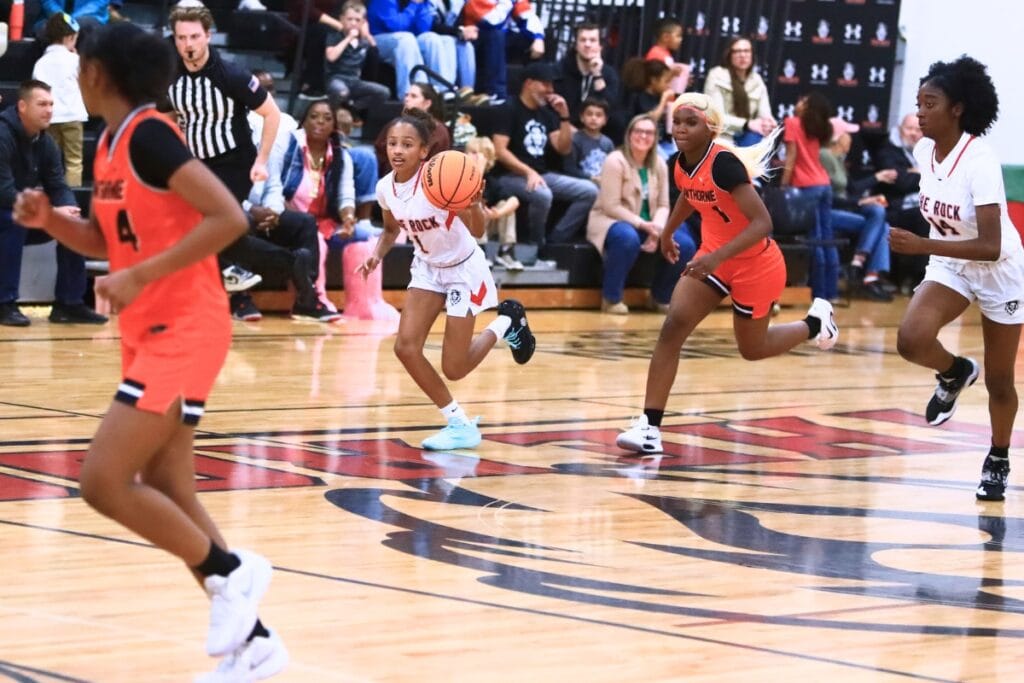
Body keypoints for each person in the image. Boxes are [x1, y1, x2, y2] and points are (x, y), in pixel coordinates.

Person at [12, 23, 287, 679]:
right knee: (169, 486)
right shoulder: (110, 144)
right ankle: (256, 646)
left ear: (99, 74)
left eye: (83, 63)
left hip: (187, 325)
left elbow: (229, 218)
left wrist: (139, 276)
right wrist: (53, 222)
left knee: (103, 480)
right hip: (151, 329)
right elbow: (110, 239)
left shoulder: (152, 135)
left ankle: (230, 570)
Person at [615, 93, 839, 454]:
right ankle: (650, 428)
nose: (681, 129)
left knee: (752, 349)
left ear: (712, 128)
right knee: (672, 329)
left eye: (691, 123)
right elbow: (690, 193)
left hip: (755, 264)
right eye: (677, 122)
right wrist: (670, 232)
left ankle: (815, 325)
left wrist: (716, 257)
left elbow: (762, 223)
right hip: (713, 258)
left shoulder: (725, 165)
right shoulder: (680, 162)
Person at [359, 109, 536, 450]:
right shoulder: (386, 188)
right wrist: (375, 255)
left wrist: (472, 205)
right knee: (405, 347)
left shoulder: (443, 178)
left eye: (407, 144)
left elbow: (480, 230)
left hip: (462, 270)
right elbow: (391, 229)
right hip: (426, 268)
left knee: (454, 368)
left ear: (424, 151)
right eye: (393, 143)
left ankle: (507, 321)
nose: (398, 150)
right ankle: (459, 424)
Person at [889, 56, 1023, 502]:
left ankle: (998, 457)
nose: (920, 112)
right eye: (918, 103)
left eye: (930, 103)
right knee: (911, 339)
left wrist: (920, 245)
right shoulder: (923, 151)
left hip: (998, 270)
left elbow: (989, 245)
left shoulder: (980, 160)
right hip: (952, 264)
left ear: (957, 109)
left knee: (1001, 380)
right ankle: (954, 372)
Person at [166, 3, 282, 321]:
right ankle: (231, 279)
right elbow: (166, 116)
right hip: (196, 165)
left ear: (208, 36)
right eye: (181, 38)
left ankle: (235, 278)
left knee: (212, 221)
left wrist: (261, 160)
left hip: (234, 161)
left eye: (194, 37)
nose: (188, 45)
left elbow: (272, 113)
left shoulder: (230, 75)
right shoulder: (170, 76)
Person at [0, 79, 107, 327]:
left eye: (51, 104)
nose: (49, 110)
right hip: (6, 212)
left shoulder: (46, 143)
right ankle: (4, 302)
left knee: (73, 225)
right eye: (42, 104)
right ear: (23, 107)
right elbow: (3, 191)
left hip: (24, 213)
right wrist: (49, 212)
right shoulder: (3, 135)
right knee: (12, 222)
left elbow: (58, 186)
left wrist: (68, 211)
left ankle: (69, 304)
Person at [588, 113, 694, 314]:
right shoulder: (615, 161)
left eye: (649, 133)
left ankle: (660, 297)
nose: (643, 136)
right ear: (629, 135)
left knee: (685, 244)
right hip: (613, 219)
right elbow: (611, 206)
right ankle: (611, 298)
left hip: (651, 223)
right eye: (639, 131)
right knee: (627, 238)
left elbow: (664, 205)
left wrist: (659, 227)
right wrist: (644, 225)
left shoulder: (660, 164)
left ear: (655, 138)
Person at [492, 60, 597, 247]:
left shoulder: (547, 113)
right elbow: (499, 151)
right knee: (543, 195)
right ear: (528, 83)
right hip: (509, 175)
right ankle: (535, 245)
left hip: (541, 175)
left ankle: (556, 239)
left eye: (551, 84)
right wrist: (528, 172)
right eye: (545, 84)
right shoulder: (508, 108)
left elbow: (563, 148)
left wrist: (564, 117)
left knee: (590, 191)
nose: (550, 89)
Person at [820, 116, 894, 302]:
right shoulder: (824, 156)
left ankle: (859, 263)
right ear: (838, 137)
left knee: (878, 211)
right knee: (881, 224)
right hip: (829, 212)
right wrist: (859, 203)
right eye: (848, 134)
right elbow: (828, 197)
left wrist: (870, 194)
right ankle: (869, 276)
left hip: (846, 209)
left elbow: (851, 189)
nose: (852, 139)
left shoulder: (838, 159)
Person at [781, 91, 838, 303]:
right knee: (827, 239)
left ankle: (819, 294)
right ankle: (831, 292)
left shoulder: (793, 122)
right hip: (824, 184)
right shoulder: (819, 127)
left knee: (814, 240)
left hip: (806, 187)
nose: (799, 102)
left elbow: (791, 157)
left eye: (802, 100)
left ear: (807, 106)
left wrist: (783, 185)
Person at [33, 12, 89, 187]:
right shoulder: (75, 60)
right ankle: (73, 202)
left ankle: (53, 198)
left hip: (50, 118)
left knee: (51, 162)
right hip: (73, 117)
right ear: (70, 37)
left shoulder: (41, 62)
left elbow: (37, 90)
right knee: (74, 162)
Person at [554, 22, 623, 141]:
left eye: (592, 40)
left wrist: (597, 75)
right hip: (565, 129)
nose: (587, 44)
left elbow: (611, 108)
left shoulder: (608, 73)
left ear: (600, 46)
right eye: (583, 40)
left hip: (597, 134)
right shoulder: (561, 69)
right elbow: (551, 109)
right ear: (576, 45)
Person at [702, 36, 776, 147]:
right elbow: (716, 117)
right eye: (737, 51)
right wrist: (746, 124)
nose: (742, 55)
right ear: (729, 55)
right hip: (723, 135)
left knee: (760, 141)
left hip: (750, 135)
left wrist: (768, 123)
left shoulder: (757, 80)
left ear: (752, 55)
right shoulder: (716, 75)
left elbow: (765, 113)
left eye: (746, 51)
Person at [464, 135, 523, 270]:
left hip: (485, 225)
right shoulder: (460, 175)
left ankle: (506, 252)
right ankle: (479, 253)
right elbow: (468, 197)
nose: (473, 157)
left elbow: (515, 201)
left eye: (478, 154)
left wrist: (497, 213)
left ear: (487, 158)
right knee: (475, 204)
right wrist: (477, 171)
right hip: (463, 229)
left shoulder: (491, 181)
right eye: (471, 152)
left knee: (506, 206)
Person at [324, 1, 391, 114]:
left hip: (355, 81)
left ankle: (351, 109)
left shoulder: (363, 42)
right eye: (349, 19)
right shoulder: (334, 36)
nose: (353, 23)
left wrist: (368, 36)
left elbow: (374, 51)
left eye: (357, 20)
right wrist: (348, 38)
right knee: (341, 92)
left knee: (384, 92)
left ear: (363, 22)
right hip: (336, 79)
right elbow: (331, 57)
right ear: (341, 19)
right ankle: (334, 115)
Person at [563, 97, 614, 183]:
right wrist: (591, 178)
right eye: (589, 114)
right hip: (582, 182)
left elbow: (612, 167)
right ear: (582, 117)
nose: (594, 118)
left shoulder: (608, 143)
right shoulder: (575, 139)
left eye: (598, 115)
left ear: (605, 120)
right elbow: (569, 168)